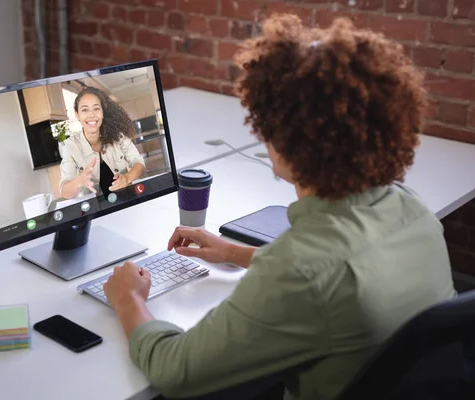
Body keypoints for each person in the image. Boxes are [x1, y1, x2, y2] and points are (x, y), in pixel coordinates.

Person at [102, 14, 457, 400]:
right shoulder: (410, 208)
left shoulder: (301, 270)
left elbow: (175, 371)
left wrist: (129, 299)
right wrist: (235, 253)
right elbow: (342, 274)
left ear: (286, 139)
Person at [59, 86, 145, 199]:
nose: (91, 115)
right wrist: (79, 181)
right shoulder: (70, 146)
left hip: (126, 198)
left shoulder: (118, 136)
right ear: (77, 114)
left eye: (96, 108)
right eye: (85, 110)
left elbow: (139, 163)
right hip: (95, 209)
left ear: (102, 112)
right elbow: (65, 192)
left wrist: (127, 178)